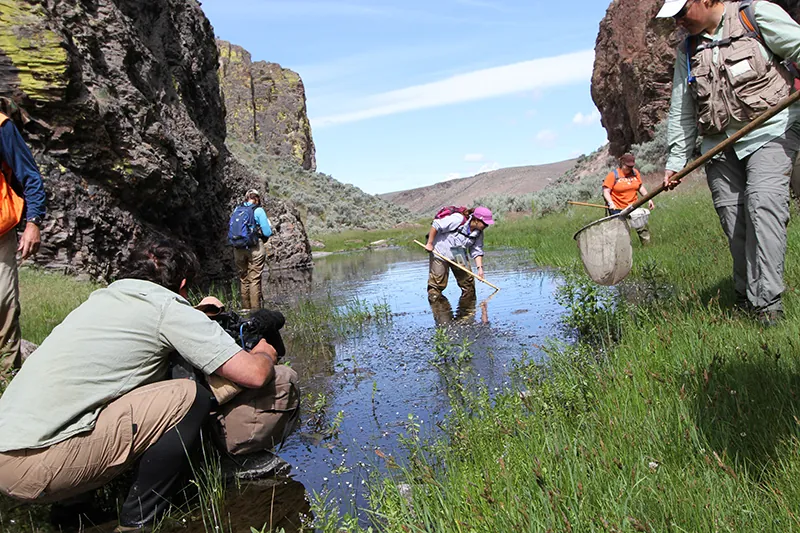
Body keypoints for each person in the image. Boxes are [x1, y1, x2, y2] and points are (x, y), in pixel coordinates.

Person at [0, 239, 286, 531]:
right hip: (34, 469)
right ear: (183, 283)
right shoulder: (165, 306)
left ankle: (72, 512)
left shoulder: (101, 300)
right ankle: (138, 521)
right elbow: (254, 374)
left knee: (100, 397)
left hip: (8, 455)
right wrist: (264, 352)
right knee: (188, 396)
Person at [657, 0, 800, 325]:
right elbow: (682, 110)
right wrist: (676, 160)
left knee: (763, 207)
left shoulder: (756, 16)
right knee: (734, 221)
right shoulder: (688, 51)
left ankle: (767, 308)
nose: (679, 22)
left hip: (772, 131)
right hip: (719, 147)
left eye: (682, 12)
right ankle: (746, 296)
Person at [0, 98, 46, 378]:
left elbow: (29, 175)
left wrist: (33, 223)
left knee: (3, 303)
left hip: (1, 230)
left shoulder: (2, 127)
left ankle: (7, 378)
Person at [424, 206, 494, 302]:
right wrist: (430, 243)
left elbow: (477, 250)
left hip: (458, 252)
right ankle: (439, 310)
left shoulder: (479, 233)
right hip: (440, 250)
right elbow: (436, 225)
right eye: (485, 223)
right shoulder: (458, 219)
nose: (486, 226)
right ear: (476, 220)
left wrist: (480, 268)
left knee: (468, 283)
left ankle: (468, 312)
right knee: (437, 284)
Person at [602, 152, 655, 245]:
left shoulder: (635, 173)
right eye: (628, 166)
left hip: (634, 206)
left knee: (642, 228)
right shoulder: (613, 175)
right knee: (622, 233)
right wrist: (611, 203)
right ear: (622, 164)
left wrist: (649, 199)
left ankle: (647, 247)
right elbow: (606, 191)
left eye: (632, 166)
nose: (630, 169)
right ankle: (624, 251)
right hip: (618, 209)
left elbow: (640, 187)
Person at [232, 189, 272, 312]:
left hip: (238, 248)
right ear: (257, 199)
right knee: (254, 279)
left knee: (243, 278)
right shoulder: (258, 210)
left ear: (246, 198)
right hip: (254, 247)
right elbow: (267, 232)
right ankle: (256, 312)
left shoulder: (236, 210)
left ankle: (245, 310)